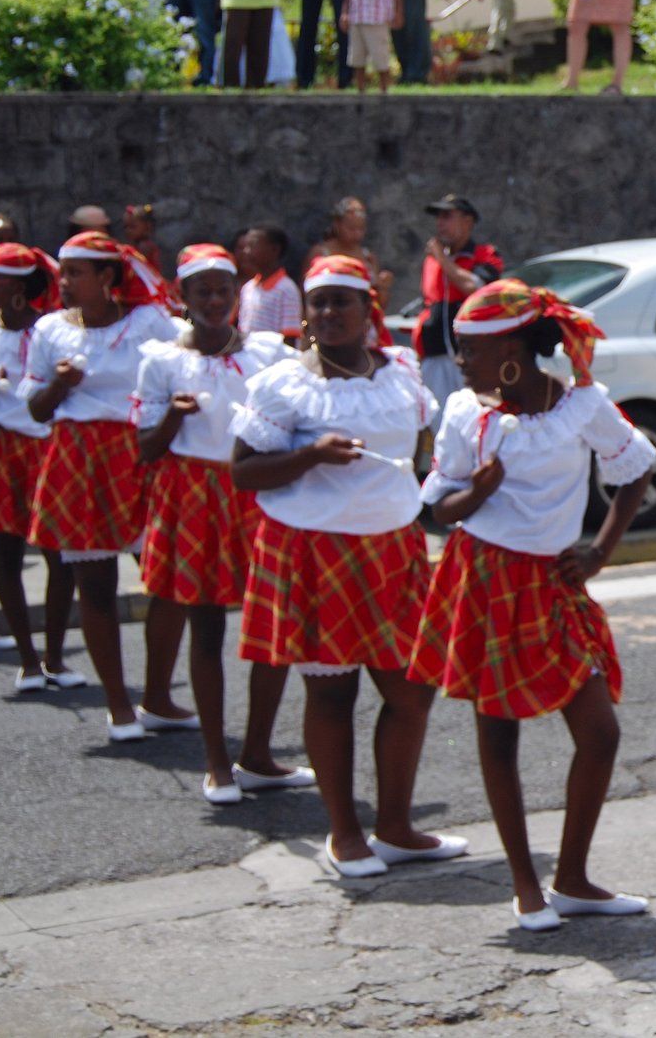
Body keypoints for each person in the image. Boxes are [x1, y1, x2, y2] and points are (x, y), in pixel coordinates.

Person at [409, 279, 656, 930]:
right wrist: (479, 491)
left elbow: (635, 469)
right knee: (499, 728)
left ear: (515, 349)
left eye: (471, 348)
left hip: (554, 580)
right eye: (457, 349)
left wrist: (600, 550)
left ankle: (571, 875)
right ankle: (525, 882)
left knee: (600, 731)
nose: (459, 361)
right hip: (486, 576)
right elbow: (441, 507)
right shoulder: (466, 412)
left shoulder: (580, 405)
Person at [229, 254, 461, 878]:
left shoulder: (401, 374)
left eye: (341, 302)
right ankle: (345, 832)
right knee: (332, 693)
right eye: (318, 302)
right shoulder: (284, 383)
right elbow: (243, 471)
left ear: (368, 311)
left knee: (412, 691)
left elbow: (418, 454)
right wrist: (309, 455)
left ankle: (395, 825)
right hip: (313, 548)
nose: (328, 313)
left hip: (393, 548)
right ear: (305, 312)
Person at [136, 245, 308, 806]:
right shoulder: (162, 360)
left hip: (257, 493)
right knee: (206, 626)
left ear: (237, 296)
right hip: (192, 496)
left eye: (224, 291)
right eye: (202, 292)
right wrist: (172, 417)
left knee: (272, 628)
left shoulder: (267, 354)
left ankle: (257, 753)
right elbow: (145, 450)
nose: (215, 301)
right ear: (182, 298)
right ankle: (217, 762)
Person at [20, 232, 184, 742]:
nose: (64, 283)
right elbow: (36, 408)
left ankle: (157, 695)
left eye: (76, 273)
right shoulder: (50, 331)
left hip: (140, 452)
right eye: (62, 273)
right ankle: (118, 705)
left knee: (166, 579)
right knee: (94, 585)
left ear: (108, 279)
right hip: (78, 459)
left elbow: (175, 373)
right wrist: (60, 385)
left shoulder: (150, 323)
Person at [0, 243, 74, 693]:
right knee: (4, 553)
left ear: (18, 287)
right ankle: (27, 661)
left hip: (44, 447)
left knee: (59, 556)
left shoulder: (49, 331)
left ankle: (56, 659)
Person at [414, 194, 503, 408]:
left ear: (467, 221)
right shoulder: (432, 261)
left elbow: (476, 287)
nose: (440, 223)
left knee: (476, 413)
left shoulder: (485, 254)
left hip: (472, 356)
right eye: (438, 217)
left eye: (447, 216)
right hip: (435, 357)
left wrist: (442, 260)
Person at [306, 197, 395, 301]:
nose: (357, 234)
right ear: (337, 225)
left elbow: (378, 303)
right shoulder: (321, 253)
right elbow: (308, 293)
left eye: (361, 229)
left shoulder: (368, 257)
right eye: (351, 228)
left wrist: (383, 287)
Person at [236, 224, 303, 341]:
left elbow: (290, 335)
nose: (247, 251)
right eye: (246, 246)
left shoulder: (286, 289)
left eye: (253, 245)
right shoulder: (248, 288)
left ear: (274, 249)